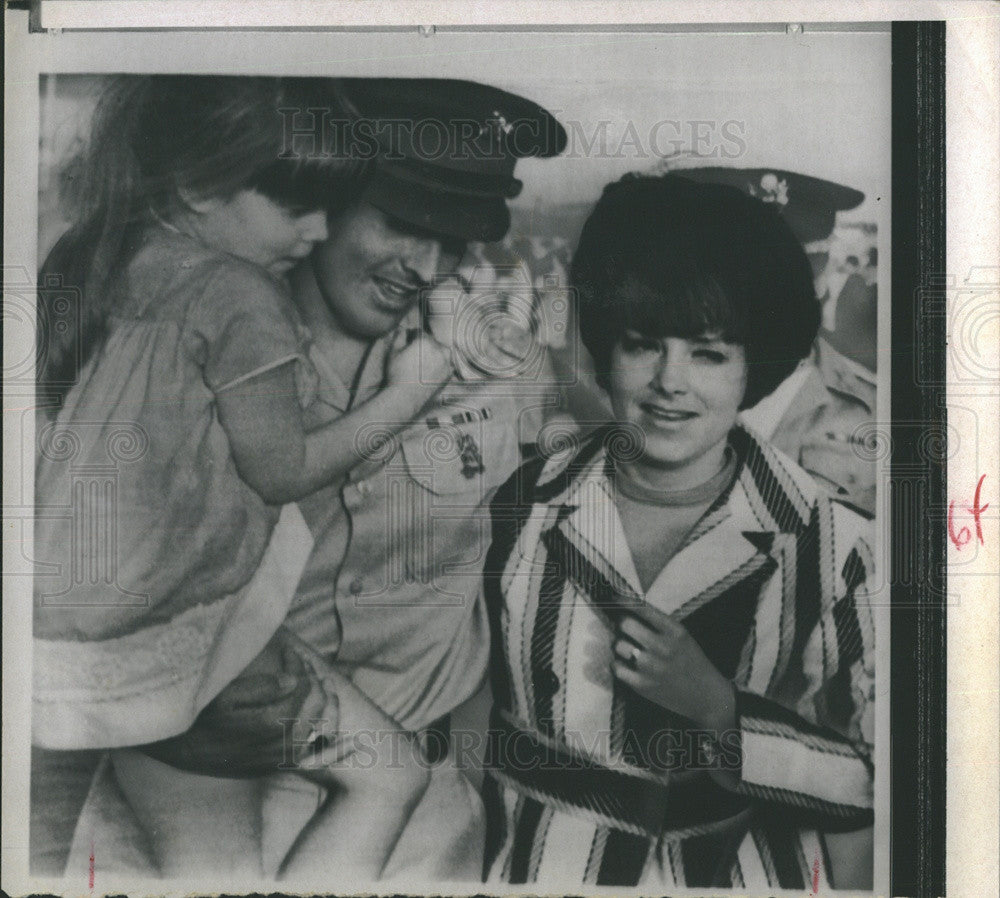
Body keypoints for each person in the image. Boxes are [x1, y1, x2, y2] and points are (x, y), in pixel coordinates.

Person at [59, 77, 568, 884]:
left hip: (420, 823)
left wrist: (468, 780)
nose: (428, 266)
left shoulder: (506, 369)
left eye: (459, 240)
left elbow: (503, 586)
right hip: (195, 798)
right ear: (325, 201)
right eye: (403, 224)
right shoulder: (186, 350)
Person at [481, 173, 875, 889]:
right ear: (606, 347)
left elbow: (867, 781)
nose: (671, 381)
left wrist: (721, 714)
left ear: (755, 366)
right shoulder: (520, 507)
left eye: (709, 353)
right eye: (641, 344)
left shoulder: (828, 544)